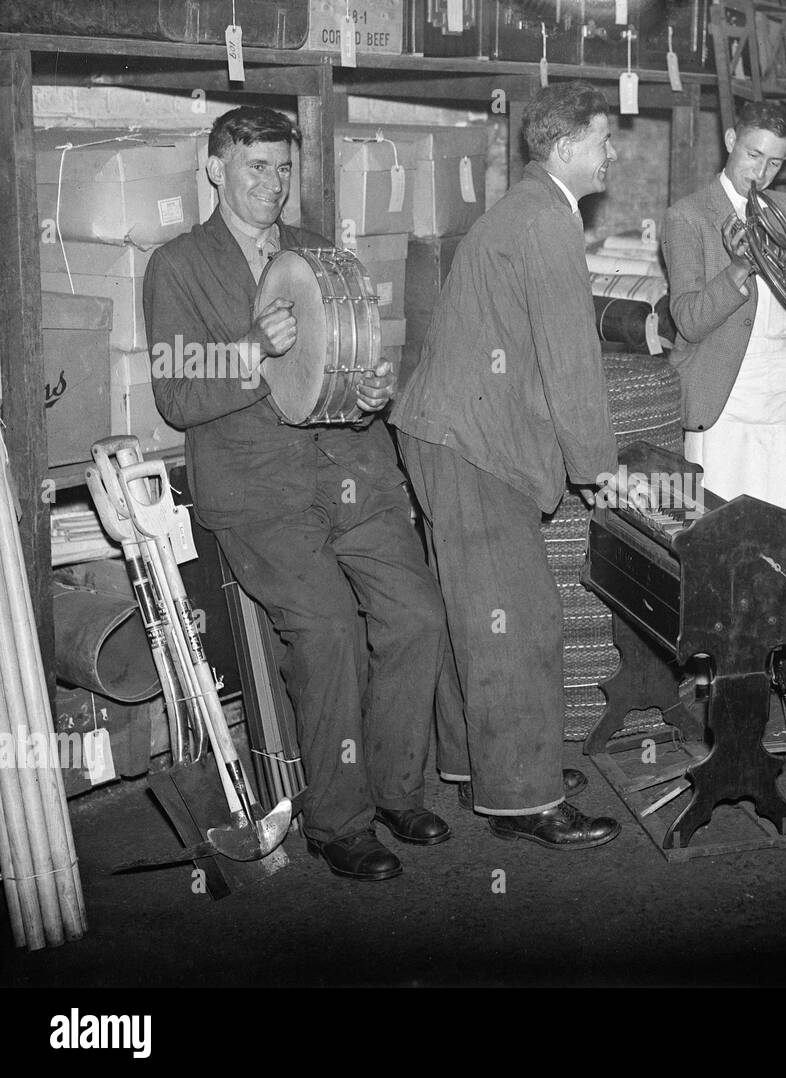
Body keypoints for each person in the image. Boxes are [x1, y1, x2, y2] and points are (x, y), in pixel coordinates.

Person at [143, 106, 454, 883]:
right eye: (256, 167)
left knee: (417, 613)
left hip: (350, 472)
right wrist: (254, 349)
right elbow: (177, 396)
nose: (273, 185)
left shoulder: (319, 254)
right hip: (258, 492)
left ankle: (394, 789)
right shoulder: (178, 266)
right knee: (330, 632)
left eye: (284, 168)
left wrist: (373, 386)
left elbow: (347, 366)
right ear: (215, 168)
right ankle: (337, 822)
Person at [392, 82, 624, 850]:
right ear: (564, 150)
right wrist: (601, 469)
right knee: (520, 621)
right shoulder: (546, 222)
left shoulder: (525, 210)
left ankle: (481, 772)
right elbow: (571, 358)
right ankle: (527, 800)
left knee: (476, 610)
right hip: (470, 442)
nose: (612, 154)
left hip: (447, 433)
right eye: (603, 140)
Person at [661, 99, 786, 523]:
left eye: (775, 163)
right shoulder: (687, 217)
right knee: (722, 530)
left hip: (782, 393)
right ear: (731, 140)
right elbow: (689, 321)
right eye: (753, 155)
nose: (761, 173)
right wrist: (739, 268)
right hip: (724, 398)